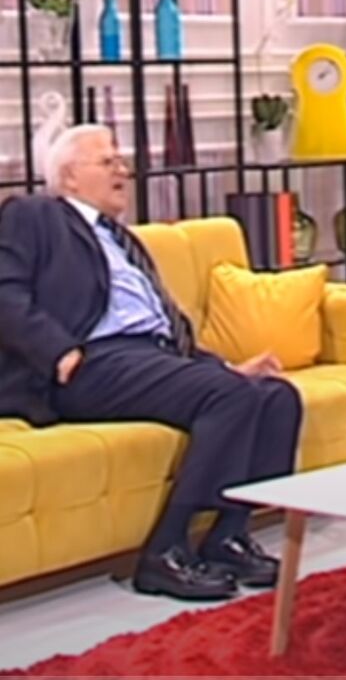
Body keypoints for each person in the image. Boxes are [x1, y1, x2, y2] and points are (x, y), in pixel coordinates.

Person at [0, 124, 303, 601]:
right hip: (89, 363)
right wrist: (56, 350)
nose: (123, 171)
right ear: (69, 176)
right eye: (108, 162)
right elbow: (5, 292)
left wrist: (224, 368)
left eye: (122, 162)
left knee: (276, 396)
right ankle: (165, 552)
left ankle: (228, 536)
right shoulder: (35, 214)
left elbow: (165, 332)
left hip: (147, 358)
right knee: (229, 397)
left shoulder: (124, 243)